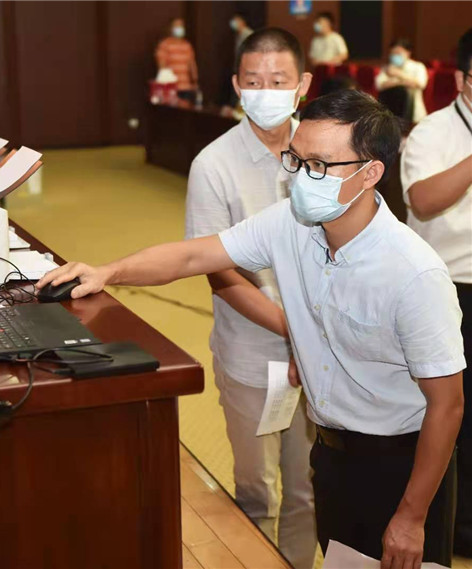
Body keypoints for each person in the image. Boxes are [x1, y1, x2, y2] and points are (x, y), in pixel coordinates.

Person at [38, 89, 464, 568]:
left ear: (370, 173)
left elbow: (447, 405)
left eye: (319, 166)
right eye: (296, 160)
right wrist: (107, 272)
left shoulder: (413, 273)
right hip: (331, 452)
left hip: (401, 466)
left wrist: (411, 516)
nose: (300, 178)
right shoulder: (292, 224)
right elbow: (194, 255)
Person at [186, 28, 316, 569]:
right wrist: (293, 330)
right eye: (254, 82)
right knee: (257, 491)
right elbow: (219, 273)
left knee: (308, 489)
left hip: (321, 355)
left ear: (302, 84)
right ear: (237, 86)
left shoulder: (323, 151)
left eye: (279, 81)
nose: (267, 92)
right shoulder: (213, 164)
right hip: (253, 353)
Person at [401, 27, 472, 557]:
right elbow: (423, 201)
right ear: (465, 80)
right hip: (451, 289)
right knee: (452, 420)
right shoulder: (432, 132)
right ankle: (456, 529)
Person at [375, 39, 429, 123]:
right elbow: (379, 85)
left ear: (408, 53)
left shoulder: (418, 67)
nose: (395, 56)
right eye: (392, 53)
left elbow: (420, 83)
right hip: (390, 114)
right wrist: (401, 83)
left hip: (414, 115)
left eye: (398, 53)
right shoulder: (387, 68)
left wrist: (398, 74)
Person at [155, 18, 199, 98]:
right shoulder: (165, 45)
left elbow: (192, 64)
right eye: (176, 26)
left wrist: (195, 81)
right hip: (171, 87)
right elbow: (162, 66)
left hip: (186, 87)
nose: (179, 28)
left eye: (181, 26)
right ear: (171, 28)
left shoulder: (187, 45)